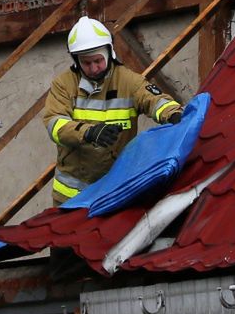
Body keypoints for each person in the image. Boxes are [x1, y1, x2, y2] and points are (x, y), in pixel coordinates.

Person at [41, 16, 183, 205]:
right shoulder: (64, 85)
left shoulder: (129, 81)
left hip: (116, 190)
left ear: (110, 52)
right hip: (71, 198)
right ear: (76, 60)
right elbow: (54, 124)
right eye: (86, 62)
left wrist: (173, 114)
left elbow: (154, 100)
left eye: (98, 60)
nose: (93, 68)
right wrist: (89, 133)